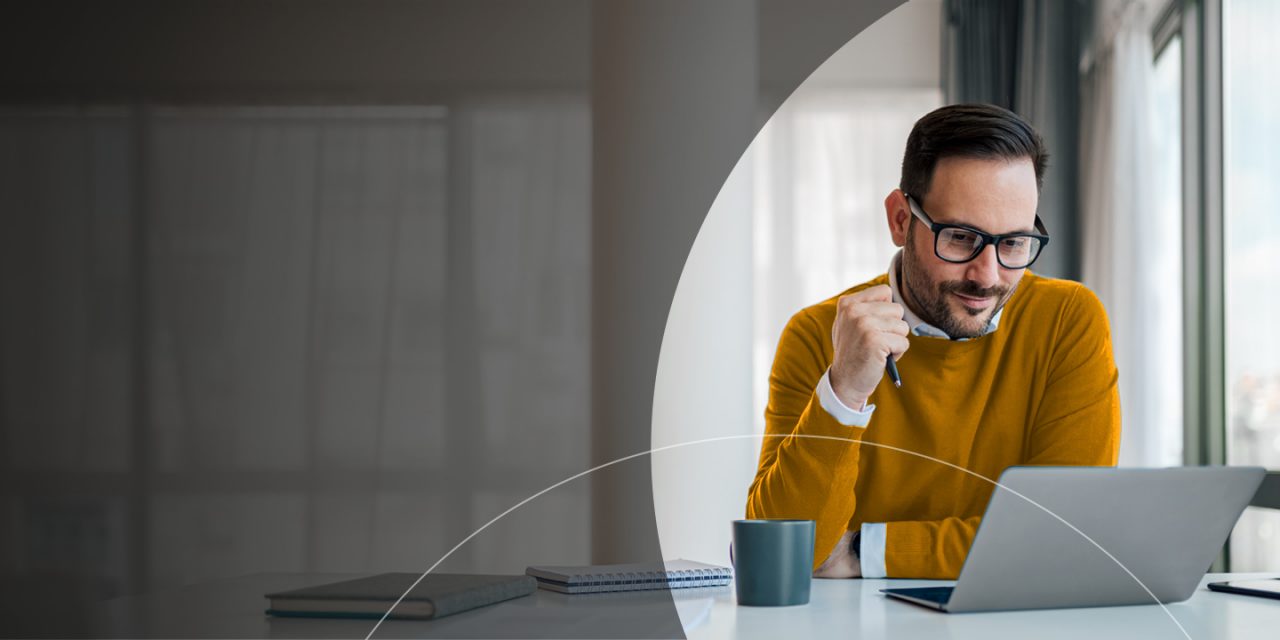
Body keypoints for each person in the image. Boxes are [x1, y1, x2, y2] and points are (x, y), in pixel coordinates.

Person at [745, 104, 1120, 579]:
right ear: (901, 219)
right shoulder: (817, 335)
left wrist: (866, 551)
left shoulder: (1068, 320)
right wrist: (844, 393)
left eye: (1014, 243)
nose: (988, 276)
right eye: (961, 237)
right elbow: (780, 552)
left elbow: (1067, 536)